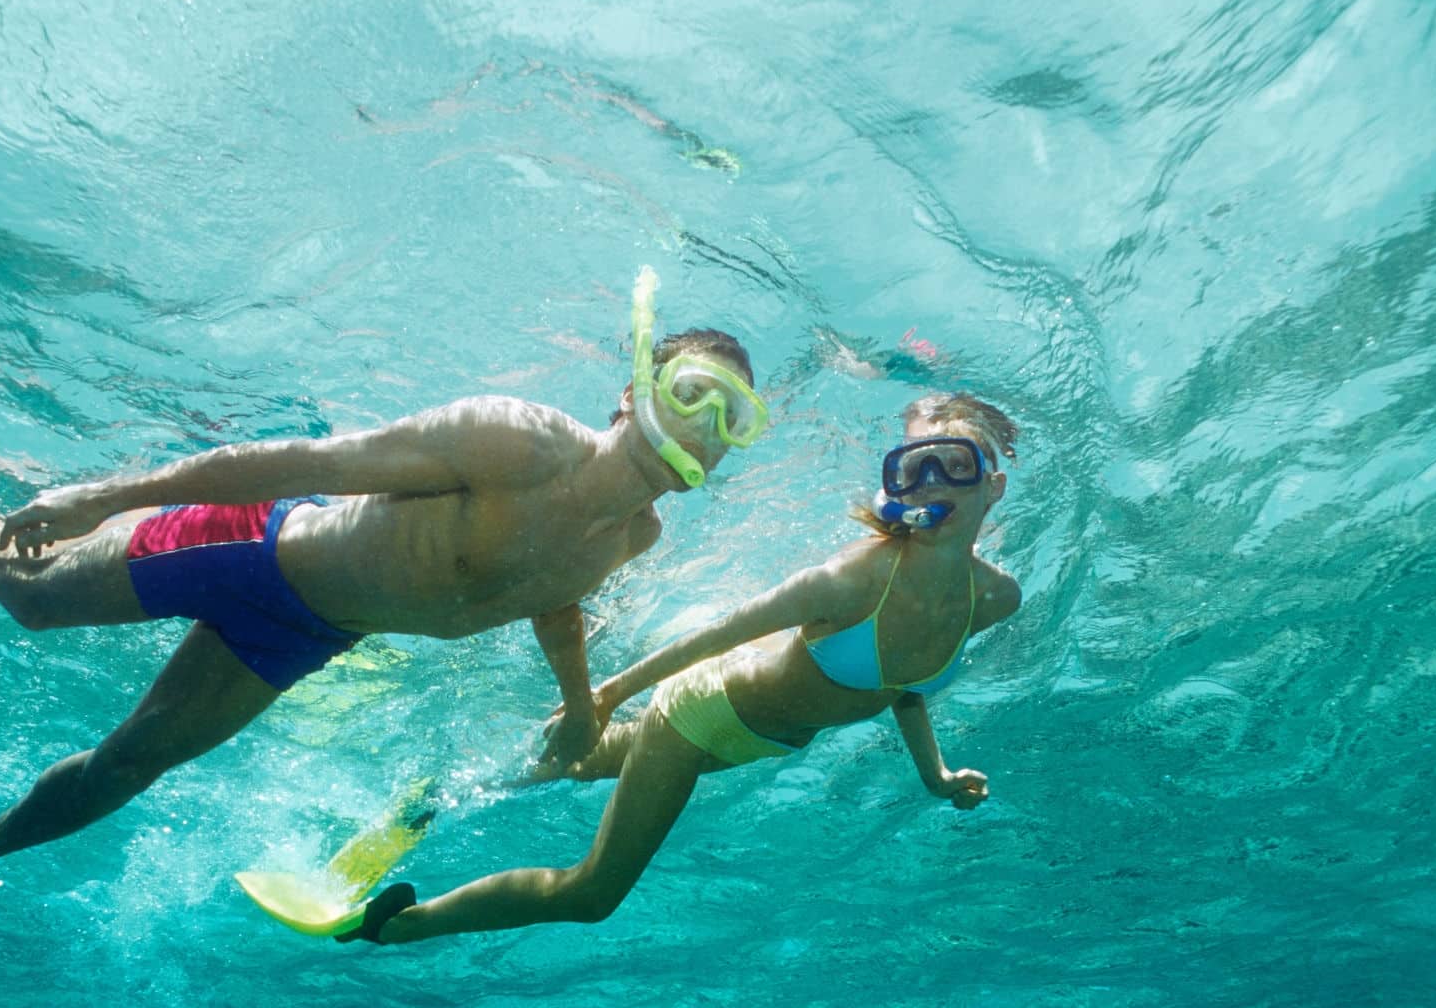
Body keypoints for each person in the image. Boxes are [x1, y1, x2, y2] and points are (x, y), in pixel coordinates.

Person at [0, 271, 769, 917]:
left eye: (732, 423)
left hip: (306, 630)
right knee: (18, 590)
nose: (703, 432)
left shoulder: (634, 534)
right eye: (691, 397)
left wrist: (581, 702)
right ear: (633, 388)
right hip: (252, 547)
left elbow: (552, 595)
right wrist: (100, 496)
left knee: (131, 766)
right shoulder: (516, 439)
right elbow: (294, 458)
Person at [358, 391, 1021, 945]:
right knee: (592, 894)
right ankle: (396, 927)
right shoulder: (853, 579)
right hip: (699, 716)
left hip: (752, 741)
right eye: (914, 469)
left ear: (993, 487)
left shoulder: (992, 598)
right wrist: (604, 695)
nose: (931, 483)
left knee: (571, 764)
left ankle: (446, 794)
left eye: (952, 465)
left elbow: (903, 687)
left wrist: (934, 775)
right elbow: (718, 634)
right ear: (896, 486)